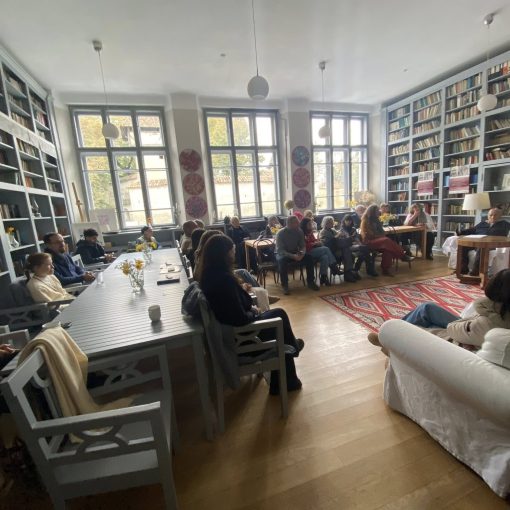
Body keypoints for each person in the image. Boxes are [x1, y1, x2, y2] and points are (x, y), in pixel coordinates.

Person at [195, 233, 302, 394]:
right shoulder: (224, 280)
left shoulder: (209, 275)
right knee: (280, 316)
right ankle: (291, 355)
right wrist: (254, 311)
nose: (234, 254)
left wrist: (249, 307)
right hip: (243, 339)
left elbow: (233, 309)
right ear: (224, 254)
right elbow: (240, 318)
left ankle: (288, 361)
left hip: (229, 332)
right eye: (232, 251)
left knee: (278, 316)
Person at [368, 269, 510, 351]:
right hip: (473, 330)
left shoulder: (488, 322)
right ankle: (389, 335)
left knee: (426, 318)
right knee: (427, 308)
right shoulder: (500, 314)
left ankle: (389, 338)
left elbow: (452, 328)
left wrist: (483, 307)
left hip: (464, 334)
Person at [359, 205, 414, 277]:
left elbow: (382, 232)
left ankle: (385, 270)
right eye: (377, 210)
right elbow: (370, 235)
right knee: (386, 240)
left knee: (388, 249)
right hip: (369, 242)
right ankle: (402, 256)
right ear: (372, 212)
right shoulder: (365, 221)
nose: (379, 212)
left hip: (378, 241)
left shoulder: (377, 220)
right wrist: (379, 236)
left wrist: (379, 236)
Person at [275, 215, 320, 295]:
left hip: (295, 252)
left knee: (309, 258)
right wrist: (293, 256)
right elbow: (280, 250)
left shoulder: (299, 231)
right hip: (283, 254)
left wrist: (302, 254)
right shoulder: (280, 233)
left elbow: (303, 246)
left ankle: (310, 282)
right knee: (282, 261)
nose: (299, 223)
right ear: (289, 224)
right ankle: (285, 285)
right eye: (296, 222)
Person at [459, 208, 510, 276]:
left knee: (482, 247)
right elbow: (471, 230)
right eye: (491, 215)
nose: (493, 217)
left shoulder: (505, 224)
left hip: (492, 244)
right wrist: (460, 232)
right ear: (487, 216)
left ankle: (475, 272)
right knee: (463, 246)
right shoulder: (482, 223)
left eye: (495, 215)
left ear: (500, 216)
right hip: (477, 242)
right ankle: (463, 269)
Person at [300, 217, 343, 286]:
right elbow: (303, 245)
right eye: (309, 224)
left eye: (311, 224)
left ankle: (323, 277)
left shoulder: (310, 232)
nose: (311, 225)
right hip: (306, 252)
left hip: (314, 250)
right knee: (326, 249)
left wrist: (317, 242)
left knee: (325, 257)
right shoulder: (301, 233)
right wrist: (314, 244)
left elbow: (314, 240)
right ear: (305, 225)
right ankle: (334, 267)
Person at [319, 216, 357, 281]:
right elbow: (328, 243)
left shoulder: (332, 230)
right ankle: (348, 273)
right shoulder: (323, 232)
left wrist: (342, 235)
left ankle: (349, 273)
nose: (332, 224)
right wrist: (338, 236)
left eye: (332, 222)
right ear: (326, 223)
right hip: (331, 251)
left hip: (338, 248)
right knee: (347, 251)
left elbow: (338, 238)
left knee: (348, 251)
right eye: (330, 222)